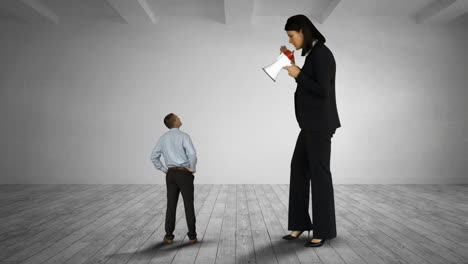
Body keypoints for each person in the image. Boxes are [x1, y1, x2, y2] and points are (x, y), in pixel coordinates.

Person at [280, 14, 341, 247]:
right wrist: (293, 64)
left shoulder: (323, 54)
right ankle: (299, 224)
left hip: (320, 125)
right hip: (309, 125)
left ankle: (322, 230)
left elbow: (322, 90)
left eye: (292, 36)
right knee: (298, 169)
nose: (291, 40)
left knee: (320, 176)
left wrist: (297, 75)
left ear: (303, 32)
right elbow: (311, 82)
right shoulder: (314, 54)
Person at [150, 113, 198, 245]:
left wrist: (165, 169)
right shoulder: (184, 136)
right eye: (178, 117)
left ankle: (169, 236)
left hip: (170, 175)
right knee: (189, 204)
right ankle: (192, 236)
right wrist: (192, 168)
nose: (180, 118)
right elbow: (192, 153)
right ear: (175, 122)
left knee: (171, 205)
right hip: (184, 174)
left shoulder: (163, 138)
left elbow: (154, 156)